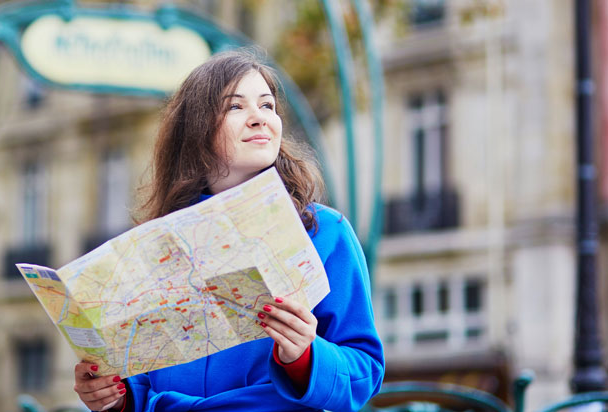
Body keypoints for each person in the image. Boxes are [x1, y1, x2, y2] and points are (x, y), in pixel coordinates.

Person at [72, 49, 384, 411]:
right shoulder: (157, 246)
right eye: (236, 107)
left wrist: (304, 355)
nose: (259, 119)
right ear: (197, 130)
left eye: (267, 106)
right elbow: (141, 384)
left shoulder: (327, 232)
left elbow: (366, 374)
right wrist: (114, 396)